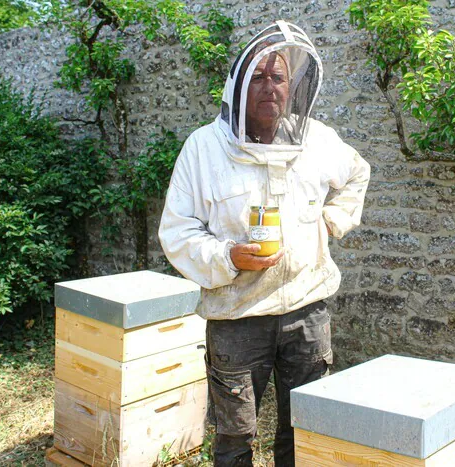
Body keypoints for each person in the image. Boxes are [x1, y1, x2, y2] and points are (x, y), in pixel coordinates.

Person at [158, 21, 370, 467]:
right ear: (238, 85)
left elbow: (357, 172)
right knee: (235, 437)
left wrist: (334, 219)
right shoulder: (203, 149)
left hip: (307, 311)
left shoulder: (316, 139)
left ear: (293, 87)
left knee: (304, 429)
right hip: (238, 316)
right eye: (259, 77)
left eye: (278, 78)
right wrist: (227, 257)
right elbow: (176, 232)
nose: (270, 87)